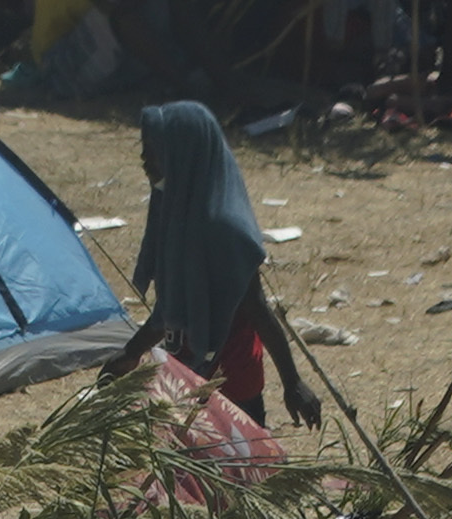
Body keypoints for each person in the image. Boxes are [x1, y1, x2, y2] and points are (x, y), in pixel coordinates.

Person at [111, 94, 320, 426]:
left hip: (230, 381)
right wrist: (132, 352)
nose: (143, 158)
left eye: (152, 149)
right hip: (186, 374)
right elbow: (173, 305)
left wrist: (292, 382)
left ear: (183, 154)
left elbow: (257, 308)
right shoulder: (176, 208)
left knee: (234, 474)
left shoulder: (222, 228)